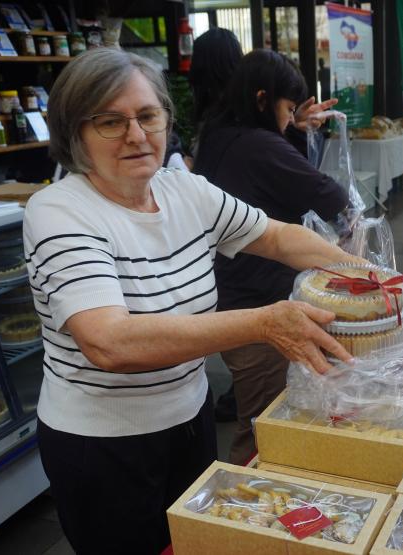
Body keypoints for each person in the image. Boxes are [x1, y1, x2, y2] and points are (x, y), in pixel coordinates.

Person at [29, 48, 357, 553]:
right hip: (103, 447)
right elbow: (110, 342)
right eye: (110, 122)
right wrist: (265, 323)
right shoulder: (59, 211)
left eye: (147, 116)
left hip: (189, 418)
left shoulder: (183, 189)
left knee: (199, 542)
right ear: (76, 134)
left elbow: (276, 237)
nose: (136, 135)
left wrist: (368, 275)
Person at [193, 49, 350, 465]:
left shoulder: (219, 133)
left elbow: (284, 175)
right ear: (262, 98)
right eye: (287, 107)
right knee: (263, 425)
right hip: (257, 305)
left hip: (232, 295)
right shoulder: (257, 143)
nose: (290, 116)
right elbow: (325, 193)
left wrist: (295, 128)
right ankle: (240, 508)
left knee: (261, 415)